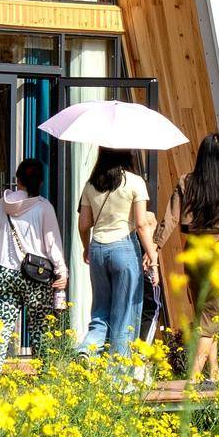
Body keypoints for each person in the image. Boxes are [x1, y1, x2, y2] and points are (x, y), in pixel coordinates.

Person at [154, 131, 219, 385]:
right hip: (218, 252)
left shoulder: (187, 182)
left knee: (206, 314)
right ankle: (195, 376)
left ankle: (214, 372)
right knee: (212, 314)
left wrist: (155, 246)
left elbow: (171, 217)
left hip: (193, 252)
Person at [0, 158, 67, 364]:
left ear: (17, 180)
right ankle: (46, 377)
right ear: (41, 182)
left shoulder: (3, 205)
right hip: (37, 275)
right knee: (40, 328)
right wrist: (62, 272)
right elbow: (52, 244)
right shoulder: (44, 207)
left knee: (0, 326)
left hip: (6, 272)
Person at [77, 147, 157, 362]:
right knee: (124, 314)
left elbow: (84, 224)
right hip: (124, 247)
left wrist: (87, 247)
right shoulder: (135, 182)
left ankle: (86, 349)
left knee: (100, 310)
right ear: (126, 154)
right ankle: (118, 374)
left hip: (98, 249)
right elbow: (141, 224)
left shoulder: (91, 184)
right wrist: (152, 255)